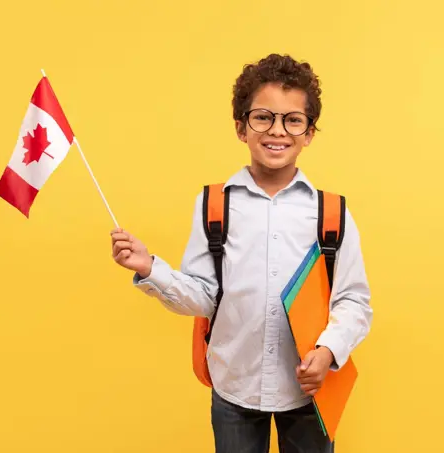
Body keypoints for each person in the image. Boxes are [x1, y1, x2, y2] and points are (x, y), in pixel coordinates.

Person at [111, 53, 372, 453]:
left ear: (309, 133)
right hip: (234, 386)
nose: (277, 131)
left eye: (293, 120)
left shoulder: (331, 212)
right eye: (263, 117)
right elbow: (203, 296)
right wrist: (151, 268)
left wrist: (329, 351)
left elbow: (354, 301)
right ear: (241, 127)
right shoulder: (214, 205)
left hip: (309, 391)